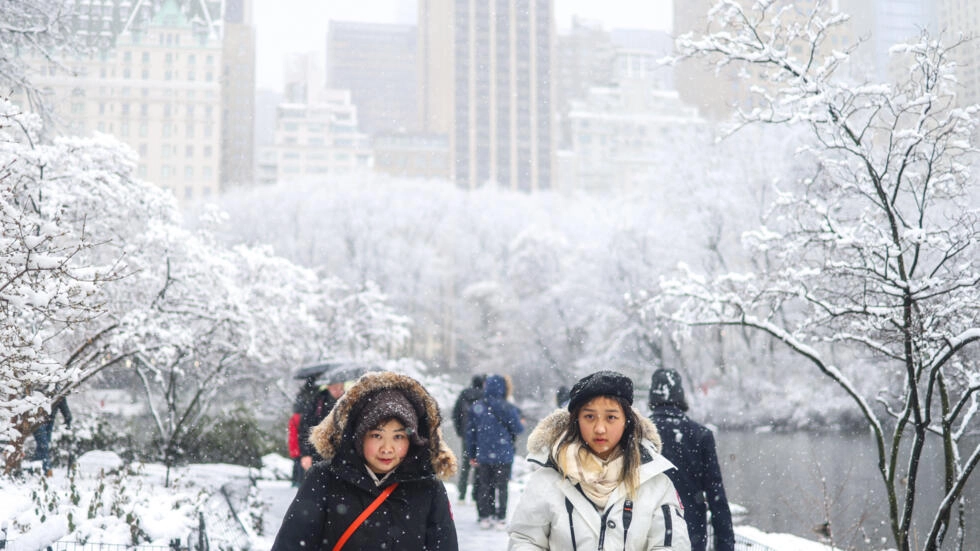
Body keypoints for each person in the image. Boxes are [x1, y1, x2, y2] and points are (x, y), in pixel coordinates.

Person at [271, 371, 459, 550]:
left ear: (413, 440)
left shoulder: (427, 488)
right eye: (376, 436)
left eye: (398, 437)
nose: (387, 448)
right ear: (359, 436)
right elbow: (292, 543)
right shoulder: (325, 480)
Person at [508, 370, 690, 551]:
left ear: (626, 421)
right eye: (589, 417)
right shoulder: (547, 480)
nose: (600, 428)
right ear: (576, 421)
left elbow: (671, 545)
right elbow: (525, 541)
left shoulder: (656, 484)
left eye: (611, 417)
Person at [649, 368, 734, 551]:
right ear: (681, 396)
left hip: (648, 533)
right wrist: (725, 545)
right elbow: (716, 497)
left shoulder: (638, 436)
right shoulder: (700, 435)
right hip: (691, 534)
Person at [466, 374, 524, 530]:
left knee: (484, 485)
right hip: (504, 454)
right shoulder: (508, 407)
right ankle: (501, 517)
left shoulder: (477, 407)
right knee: (502, 486)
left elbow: (470, 434)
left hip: (483, 454)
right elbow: (518, 429)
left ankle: (485, 516)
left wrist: (471, 454)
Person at [297, 378, 345, 474]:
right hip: (319, 451)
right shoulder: (317, 402)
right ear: (328, 387)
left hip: (343, 451)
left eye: (341, 387)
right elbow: (305, 429)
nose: (338, 391)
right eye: (335, 387)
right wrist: (306, 454)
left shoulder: (348, 401)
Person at [452, 374, 485, 502]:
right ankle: (475, 495)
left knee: (465, 465)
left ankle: (461, 495)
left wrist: (460, 431)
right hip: (481, 436)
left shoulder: (463, 395)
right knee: (479, 465)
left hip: (466, 434)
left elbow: (455, 414)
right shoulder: (484, 396)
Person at [288, 375, 318, 486]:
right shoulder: (315, 395)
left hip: (299, 443)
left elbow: (293, 434)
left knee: (298, 464)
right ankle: (299, 481)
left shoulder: (303, 394)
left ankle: (296, 481)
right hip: (302, 441)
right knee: (301, 464)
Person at [32, 395, 72, 477]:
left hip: (49, 419)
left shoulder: (55, 386)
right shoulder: (38, 384)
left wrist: (68, 417)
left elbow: (62, 400)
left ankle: (36, 468)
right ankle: (45, 469)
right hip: (36, 419)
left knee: (44, 445)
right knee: (43, 444)